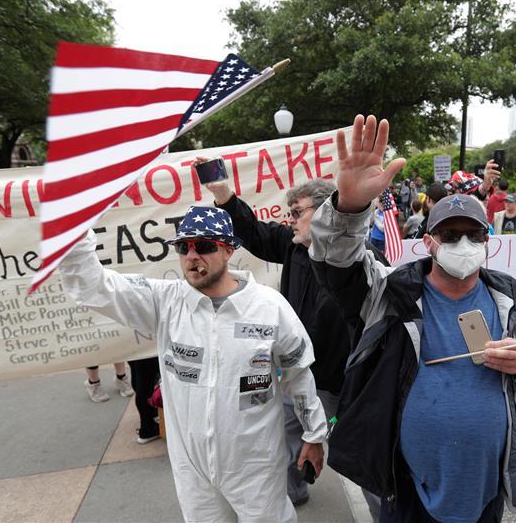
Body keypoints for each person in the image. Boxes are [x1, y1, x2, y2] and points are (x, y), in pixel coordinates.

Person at [309, 114, 516, 522]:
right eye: (450, 234)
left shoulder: (512, 299)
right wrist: (350, 206)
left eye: (474, 234)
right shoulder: (390, 292)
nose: (463, 243)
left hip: (485, 487)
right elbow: (335, 261)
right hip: (407, 485)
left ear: (487, 241)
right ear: (428, 241)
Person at [59, 206, 327, 523]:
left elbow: (298, 376)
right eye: (183, 247)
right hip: (193, 468)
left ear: (228, 249)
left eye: (204, 246)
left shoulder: (269, 307)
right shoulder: (165, 301)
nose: (191, 255)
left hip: (255, 464)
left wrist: (314, 434)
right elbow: (96, 287)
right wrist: (75, 233)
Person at [204, 169, 384, 517]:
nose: (291, 221)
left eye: (297, 212)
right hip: (292, 375)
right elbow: (253, 232)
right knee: (283, 439)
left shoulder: (365, 261)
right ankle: (295, 490)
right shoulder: (293, 248)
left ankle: (385, 513)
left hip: (340, 385)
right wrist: (224, 196)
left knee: (358, 454)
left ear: (324, 212)